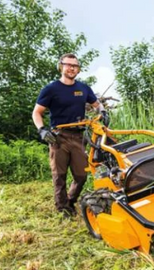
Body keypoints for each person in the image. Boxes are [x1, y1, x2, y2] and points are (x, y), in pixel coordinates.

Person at [32, 53, 109, 217]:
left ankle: (70, 201)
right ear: (61, 66)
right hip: (58, 137)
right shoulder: (51, 89)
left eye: (75, 66)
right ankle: (63, 209)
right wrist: (42, 129)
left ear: (78, 69)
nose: (72, 68)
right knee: (59, 176)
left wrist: (102, 110)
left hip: (78, 137)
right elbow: (37, 112)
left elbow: (96, 104)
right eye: (68, 65)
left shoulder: (83, 88)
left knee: (81, 175)